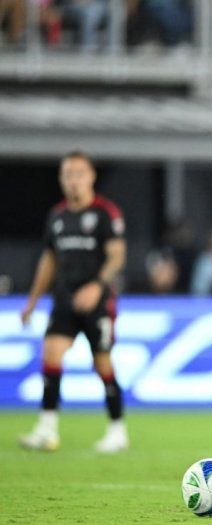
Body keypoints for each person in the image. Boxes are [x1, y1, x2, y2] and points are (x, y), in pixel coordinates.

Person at [19, 151, 129, 453]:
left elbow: (116, 256)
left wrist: (96, 286)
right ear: (61, 179)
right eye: (68, 174)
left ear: (91, 176)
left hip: (98, 301)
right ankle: (46, 428)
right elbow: (49, 260)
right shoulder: (57, 217)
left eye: (79, 173)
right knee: (51, 353)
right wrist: (31, 301)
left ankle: (117, 430)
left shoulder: (106, 213)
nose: (73, 180)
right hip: (65, 299)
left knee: (102, 363)